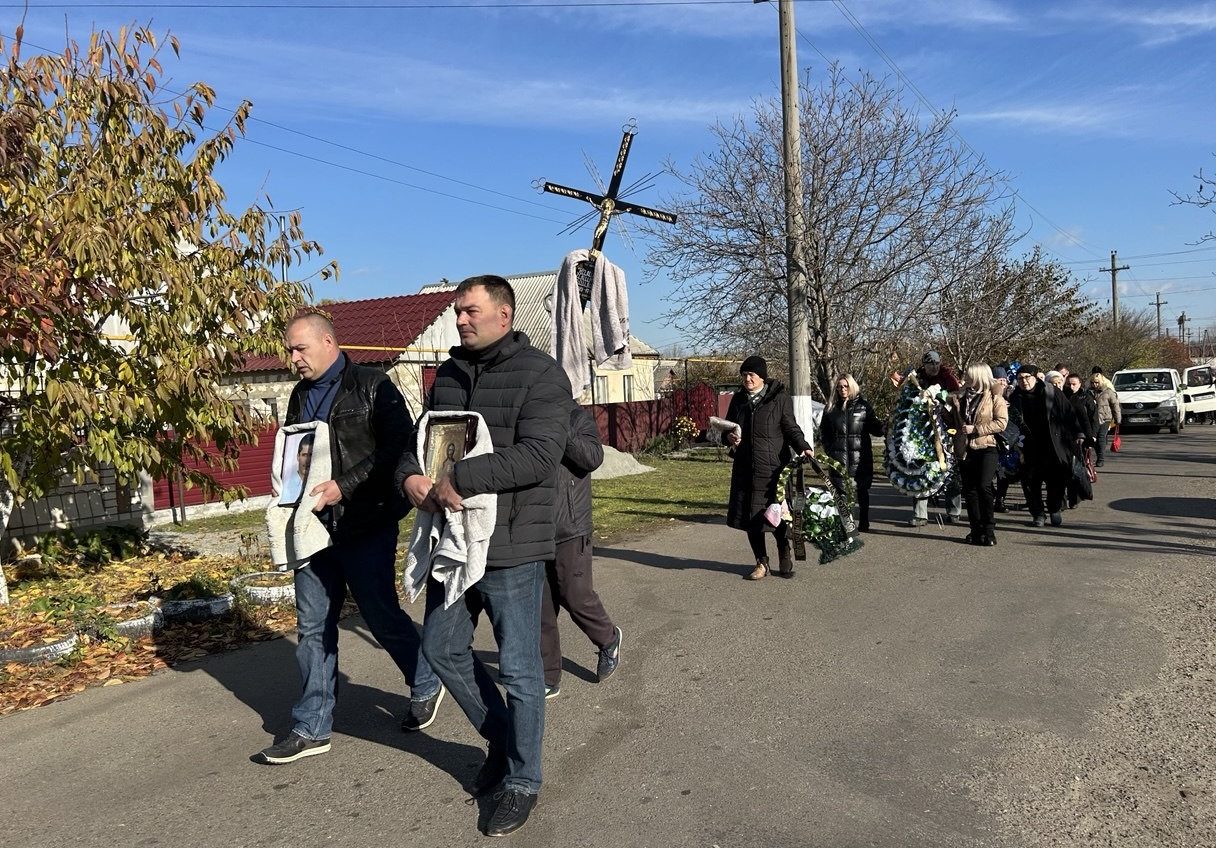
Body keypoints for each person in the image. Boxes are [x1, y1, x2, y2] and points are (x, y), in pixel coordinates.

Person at [397, 275, 571, 837]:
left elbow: (543, 454)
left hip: (512, 545)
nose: (460, 320)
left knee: (520, 669)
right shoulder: (446, 374)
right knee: (442, 647)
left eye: (469, 310)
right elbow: (416, 444)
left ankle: (523, 781)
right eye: (456, 311)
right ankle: (501, 736)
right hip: (451, 540)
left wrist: (461, 478)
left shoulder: (541, 374)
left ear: (504, 313)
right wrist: (409, 479)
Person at [254, 313, 443, 766]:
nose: (293, 358)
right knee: (313, 624)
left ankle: (425, 679)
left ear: (328, 341)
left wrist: (346, 485)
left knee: (379, 613)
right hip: (313, 526)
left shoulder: (373, 386)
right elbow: (300, 449)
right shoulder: (299, 396)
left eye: (300, 348)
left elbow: (398, 449)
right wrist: (287, 480)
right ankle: (311, 725)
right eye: (290, 350)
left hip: (365, 521)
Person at [540, 402, 622, 700]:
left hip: (570, 526)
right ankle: (548, 674)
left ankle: (608, 639)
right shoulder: (528, 416)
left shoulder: (576, 418)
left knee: (575, 594)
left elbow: (592, 457)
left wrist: (558, 426)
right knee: (541, 606)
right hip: (534, 528)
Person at [723, 355, 813, 580]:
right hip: (745, 468)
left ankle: (784, 551)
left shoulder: (779, 398)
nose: (747, 379)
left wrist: (803, 447)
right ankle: (761, 562)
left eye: (751, 374)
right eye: (744, 375)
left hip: (773, 470)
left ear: (762, 376)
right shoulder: (738, 400)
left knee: (777, 517)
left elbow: (791, 428)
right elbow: (726, 428)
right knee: (751, 520)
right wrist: (729, 437)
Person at [1010, 364, 1082, 528]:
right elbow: (1011, 423)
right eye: (1020, 378)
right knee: (1030, 483)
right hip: (1027, 447)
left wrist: (1078, 434)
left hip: (1053, 445)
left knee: (1055, 481)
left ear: (1035, 377)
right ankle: (1038, 514)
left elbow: (1068, 413)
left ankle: (1054, 508)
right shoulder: (1015, 397)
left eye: (1027, 377)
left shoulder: (1051, 392)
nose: (1024, 381)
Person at [819, 373, 884, 532]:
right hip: (838, 458)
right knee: (840, 493)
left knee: (862, 491)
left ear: (852, 386)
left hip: (860, 458)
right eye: (840, 386)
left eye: (846, 386)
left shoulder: (864, 406)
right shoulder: (831, 409)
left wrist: (885, 426)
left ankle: (864, 521)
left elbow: (876, 428)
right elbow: (824, 433)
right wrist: (830, 450)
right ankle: (846, 523)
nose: (842, 389)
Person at [955, 363, 1008, 546]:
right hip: (966, 448)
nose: (965, 379)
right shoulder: (960, 397)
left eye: (970, 376)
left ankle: (989, 530)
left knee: (984, 486)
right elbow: (954, 421)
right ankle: (975, 529)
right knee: (969, 490)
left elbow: (1001, 423)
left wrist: (976, 429)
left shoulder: (994, 396)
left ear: (979, 377)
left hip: (987, 446)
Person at [908, 350, 962, 527]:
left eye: (937, 363)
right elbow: (907, 400)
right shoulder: (916, 378)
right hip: (922, 431)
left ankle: (954, 510)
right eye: (930, 364)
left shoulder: (948, 377)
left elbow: (957, 397)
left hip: (946, 428)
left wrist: (940, 396)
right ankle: (920, 514)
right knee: (921, 470)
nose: (934, 367)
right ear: (924, 365)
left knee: (949, 469)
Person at [1088, 370, 1120, 466]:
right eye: (1093, 382)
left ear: (1101, 382)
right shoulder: (1088, 392)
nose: (1095, 384)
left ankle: (1100, 459)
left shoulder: (1108, 392)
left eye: (1097, 382)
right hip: (1093, 419)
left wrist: (1117, 419)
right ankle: (1098, 455)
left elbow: (1115, 406)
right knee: (1095, 439)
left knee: (1101, 437)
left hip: (1105, 418)